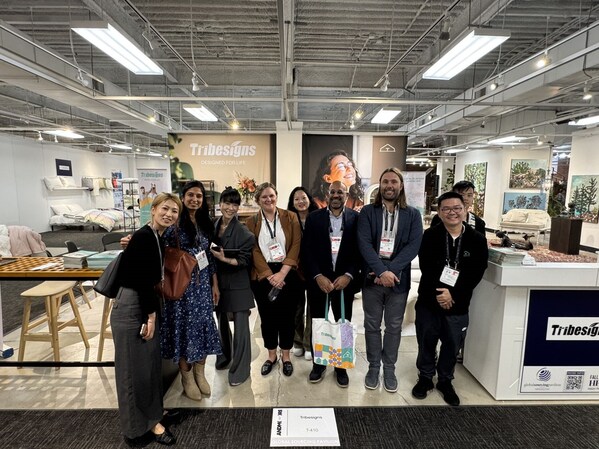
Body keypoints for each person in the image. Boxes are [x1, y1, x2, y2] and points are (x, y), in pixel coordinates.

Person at [111, 193, 181, 447]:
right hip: (133, 306)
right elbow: (142, 280)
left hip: (144, 303)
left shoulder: (155, 237)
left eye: (174, 211)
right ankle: (140, 428)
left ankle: (154, 413)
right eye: (165, 208)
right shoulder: (143, 237)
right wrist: (150, 316)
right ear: (153, 209)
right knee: (133, 372)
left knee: (149, 366)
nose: (169, 214)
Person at [412, 191, 488, 406]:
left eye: (457, 208)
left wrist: (453, 294)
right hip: (430, 301)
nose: (452, 212)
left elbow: (476, 272)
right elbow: (427, 268)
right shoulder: (430, 236)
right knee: (426, 341)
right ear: (439, 212)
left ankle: (445, 380)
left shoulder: (477, 239)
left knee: (452, 344)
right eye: (446, 209)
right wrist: (441, 293)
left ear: (465, 210)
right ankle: (425, 377)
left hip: (458, 304)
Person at [357, 167, 423, 393]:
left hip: (398, 279)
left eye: (394, 181)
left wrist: (390, 271)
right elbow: (364, 243)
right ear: (380, 185)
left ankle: (389, 368)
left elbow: (413, 246)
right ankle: (373, 367)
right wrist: (380, 271)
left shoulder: (412, 214)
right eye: (385, 181)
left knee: (394, 327)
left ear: (401, 186)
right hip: (372, 279)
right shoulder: (368, 212)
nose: (389, 186)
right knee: (372, 325)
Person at [160, 180, 221, 402]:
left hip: (202, 285)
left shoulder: (205, 223)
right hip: (182, 286)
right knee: (185, 330)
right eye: (191, 195)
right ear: (183, 197)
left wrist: (214, 284)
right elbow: (160, 247)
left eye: (199, 196)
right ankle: (186, 377)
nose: (195, 199)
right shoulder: (174, 222)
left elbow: (209, 255)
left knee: (203, 327)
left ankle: (199, 373)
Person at [301, 181, 361, 387]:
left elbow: (360, 251)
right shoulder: (314, 218)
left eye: (340, 192)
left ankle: (341, 366)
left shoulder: (356, 219)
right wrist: (318, 276)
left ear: (346, 195)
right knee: (318, 323)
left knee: (344, 324)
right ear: (327, 195)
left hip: (344, 282)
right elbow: (307, 250)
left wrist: (349, 275)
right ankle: (319, 364)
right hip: (320, 283)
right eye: (333, 192)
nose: (336, 195)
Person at [246, 182, 302, 377]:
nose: (268, 199)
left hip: (288, 273)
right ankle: (271, 356)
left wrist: (282, 273)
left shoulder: (290, 217)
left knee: (288, 316)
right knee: (267, 316)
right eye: (264, 197)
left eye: (271, 195)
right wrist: (270, 275)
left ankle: (286, 356)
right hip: (263, 275)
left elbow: (296, 244)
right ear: (258, 200)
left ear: (276, 196)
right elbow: (253, 249)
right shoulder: (251, 221)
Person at [430, 180, 486, 363]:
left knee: (453, 336)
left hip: (461, 291)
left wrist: (454, 292)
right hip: (437, 289)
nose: (466, 198)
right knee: (430, 332)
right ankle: (429, 364)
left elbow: (478, 265)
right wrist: (442, 291)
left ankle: (450, 367)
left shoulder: (478, 225)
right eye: (462, 194)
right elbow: (429, 263)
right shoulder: (436, 226)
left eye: (469, 195)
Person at [210, 187, 256, 386]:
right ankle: (224, 357)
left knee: (241, 329)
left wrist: (224, 259)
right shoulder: (213, 225)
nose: (230, 208)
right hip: (217, 282)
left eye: (235, 204)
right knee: (220, 320)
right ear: (220, 204)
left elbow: (244, 261)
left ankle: (241, 370)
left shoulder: (245, 233)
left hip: (238, 284)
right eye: (227, 203)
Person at [287, 186, 318, 360]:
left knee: (313, 309)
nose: (301, 201)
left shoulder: (318, 217)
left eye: (303, 198)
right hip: (294, 270)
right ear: (292, 203)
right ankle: (297, 341)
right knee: (296, 309)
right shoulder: (288, 220)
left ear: (309, 199)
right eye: (297, 199)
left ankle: (308, 343)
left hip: (314, 270)